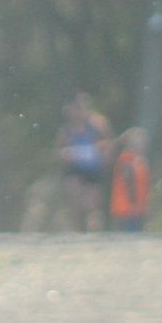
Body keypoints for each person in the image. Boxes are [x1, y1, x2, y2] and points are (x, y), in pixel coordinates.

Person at [56, 91, 113, 231]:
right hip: (75, 168)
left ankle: (91, 231)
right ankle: (78, 228)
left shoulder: (97, 126)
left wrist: (104, 154)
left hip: (93, 168)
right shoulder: (67, 130)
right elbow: (58, 150)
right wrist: (65, 154)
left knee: (92, 204)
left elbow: (109, 143)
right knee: (75, 197)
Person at [109, 126, 151, 232]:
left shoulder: (139, 161)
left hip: (136, 209)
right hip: (126, 209)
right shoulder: (127, 159)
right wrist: (134, 205)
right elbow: (130, 182)